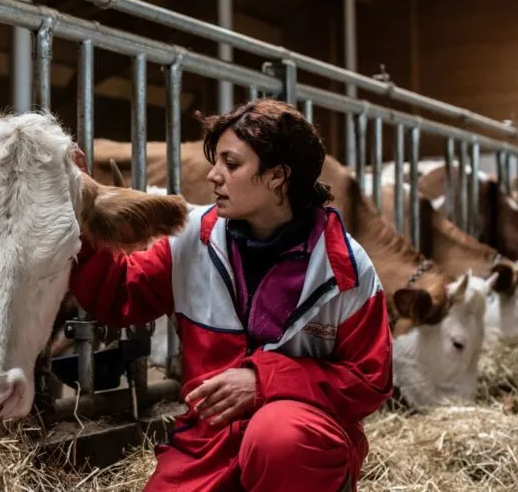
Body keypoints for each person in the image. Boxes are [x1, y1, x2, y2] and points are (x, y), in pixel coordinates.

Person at [69, 99, 393, 492]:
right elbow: (119, 293)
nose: (213, 176)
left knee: (278, 438)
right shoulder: (194, 238)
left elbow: (370, 381)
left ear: (278, 176)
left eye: (231, 164)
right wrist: (80, 214)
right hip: (210, 442)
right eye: (215, 161)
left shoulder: (344, 267)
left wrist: (264, 381)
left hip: (299, 443)